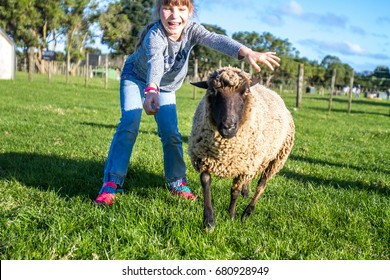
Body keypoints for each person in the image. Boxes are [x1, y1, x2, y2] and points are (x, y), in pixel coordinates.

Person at [95, 0, 281, 205]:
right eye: (168, 8)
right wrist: (151, 91)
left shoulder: (192, 30)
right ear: (159, 10)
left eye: (181, 9)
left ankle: (177, 182)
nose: (175, 16)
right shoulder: (155, 36)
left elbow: (216, 39)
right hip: (137, 78)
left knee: (171, 134)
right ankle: (111, 183)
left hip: (165, 87)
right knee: (129, 124)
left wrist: (246, 52)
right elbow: (155, 62)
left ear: (190, 12)